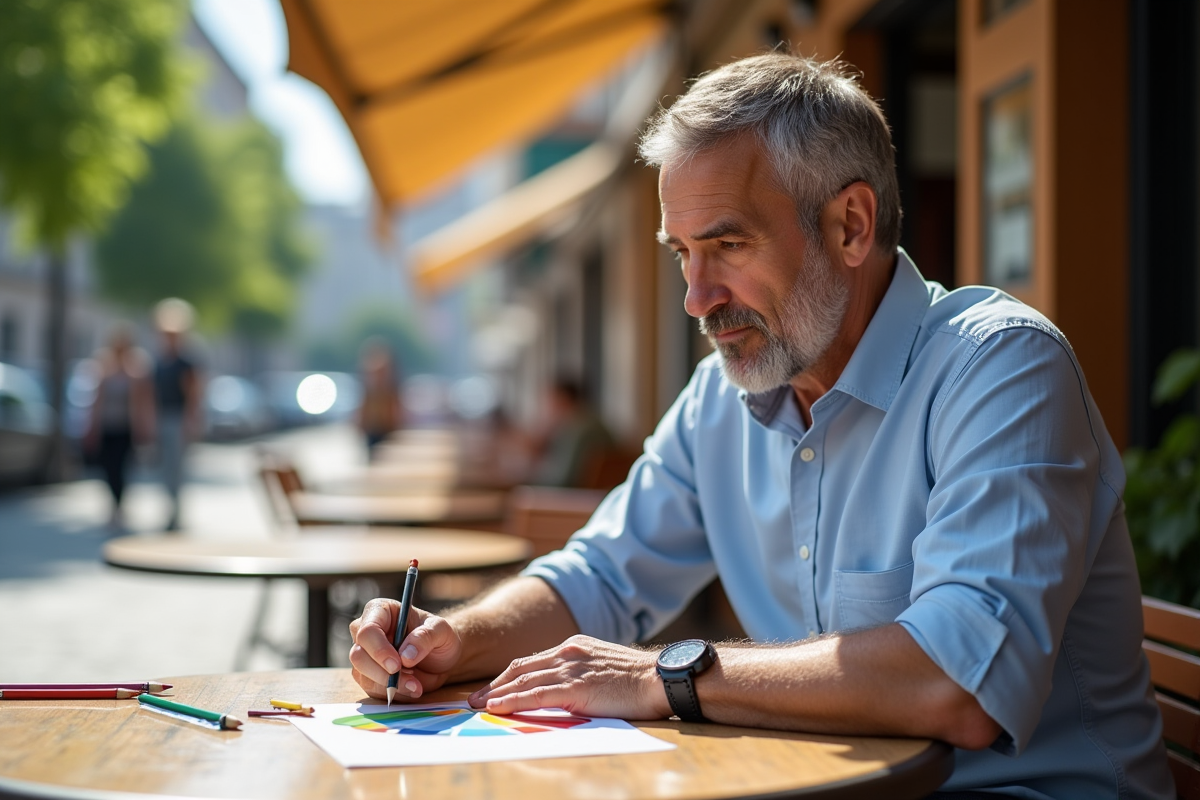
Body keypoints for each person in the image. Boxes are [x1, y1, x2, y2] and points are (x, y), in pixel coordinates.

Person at [348, 54, 1172, 798]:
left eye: (729, 244)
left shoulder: (1000, 367)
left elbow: (953, 686)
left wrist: (666, 677)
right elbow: (599, 577)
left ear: (850, 226)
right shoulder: (721, 397)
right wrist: (452, 639)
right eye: (682, 253)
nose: (696, 298)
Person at [86, 324, 154, 530]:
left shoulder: (137, 369)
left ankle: (120, 506)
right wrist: (91, 426)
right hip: (107, 426)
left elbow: (144, 401)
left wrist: (146, 427)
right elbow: (96, 400)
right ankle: (113, 505)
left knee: (123, 467)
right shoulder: (103, 366)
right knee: (108, 468)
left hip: (126, 428)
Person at [152, 298, 202, 531]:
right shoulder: (160, 362)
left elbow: (193, 394)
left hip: (178, 418)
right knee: (164, 468)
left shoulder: (185, 363)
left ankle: (176, 513)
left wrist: (190, 421)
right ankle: (169, 510)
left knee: (177, 468)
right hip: (162, 417)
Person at [527, 378, 613, 488]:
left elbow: (562, 480)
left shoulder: (577, 430)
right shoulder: (593, 423)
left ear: (563, 400)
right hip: (597, 494)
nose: (547, 411)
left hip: (577, 495)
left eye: (550, 403)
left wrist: (526, 477)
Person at [356, 337, 403, 458]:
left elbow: (395, 413)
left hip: (386, 431)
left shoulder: (391, 389)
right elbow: (363, 412)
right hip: (372, 431)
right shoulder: (369, 389)